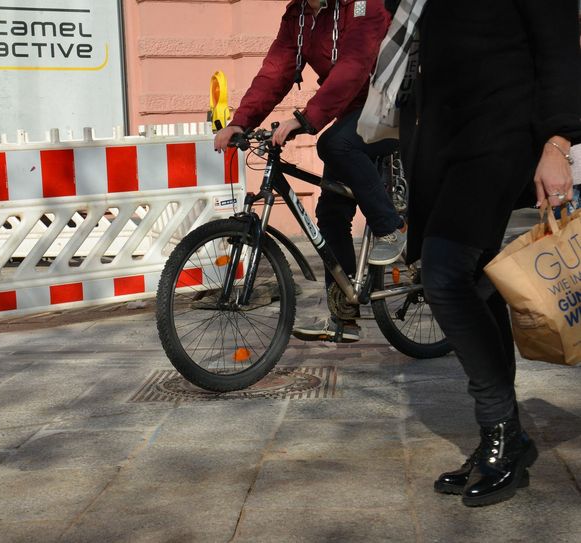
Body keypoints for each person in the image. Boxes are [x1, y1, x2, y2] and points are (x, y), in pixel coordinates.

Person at [395, 0, 581, 507]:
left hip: (500, 133)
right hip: (442, 141)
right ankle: (506, 436)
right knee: (475, 279)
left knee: (444, 274)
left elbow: (562, 49)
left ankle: (500, 427)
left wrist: (558, 144)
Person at [214, 0, 406, 343]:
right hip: (351, 110)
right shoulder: (299, 15)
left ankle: (391, 228)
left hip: (393, 102)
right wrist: (240, 122)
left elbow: (354, 65)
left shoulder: (363, 5)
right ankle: (344, 319)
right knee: (331, 215)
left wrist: (306, 119)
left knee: (335, 144)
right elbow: (275, 71)